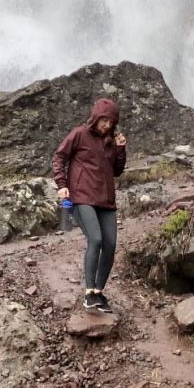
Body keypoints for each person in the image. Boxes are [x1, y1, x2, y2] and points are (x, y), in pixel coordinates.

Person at [52, 96, 127, 312]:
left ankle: (98, 293)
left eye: (112, 122)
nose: (108, 125)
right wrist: (61, 184)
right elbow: (59, 157)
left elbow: (117, 171)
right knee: (96, 239)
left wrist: (121, 150)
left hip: (105, 200)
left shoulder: (111, 142)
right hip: (81, 196)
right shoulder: (79, 134)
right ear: (96, 117)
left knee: (110, 245)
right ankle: (88, 293)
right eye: (105, 120)